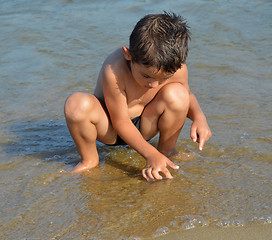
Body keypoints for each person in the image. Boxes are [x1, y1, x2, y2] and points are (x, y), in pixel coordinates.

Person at [64, 12, 212, 181]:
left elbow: (188, 95)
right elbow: (120, 121)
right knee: (76, 104)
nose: (154, 85)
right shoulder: (115, 69)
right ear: (129, 55)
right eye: (146, 76)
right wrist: (150, 153)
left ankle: (166, 153)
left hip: (145, 125)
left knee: (178, 94)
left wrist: (199, 118)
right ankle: (89, 160)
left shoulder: (176, 68)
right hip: (109, 127)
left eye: (164, 78)